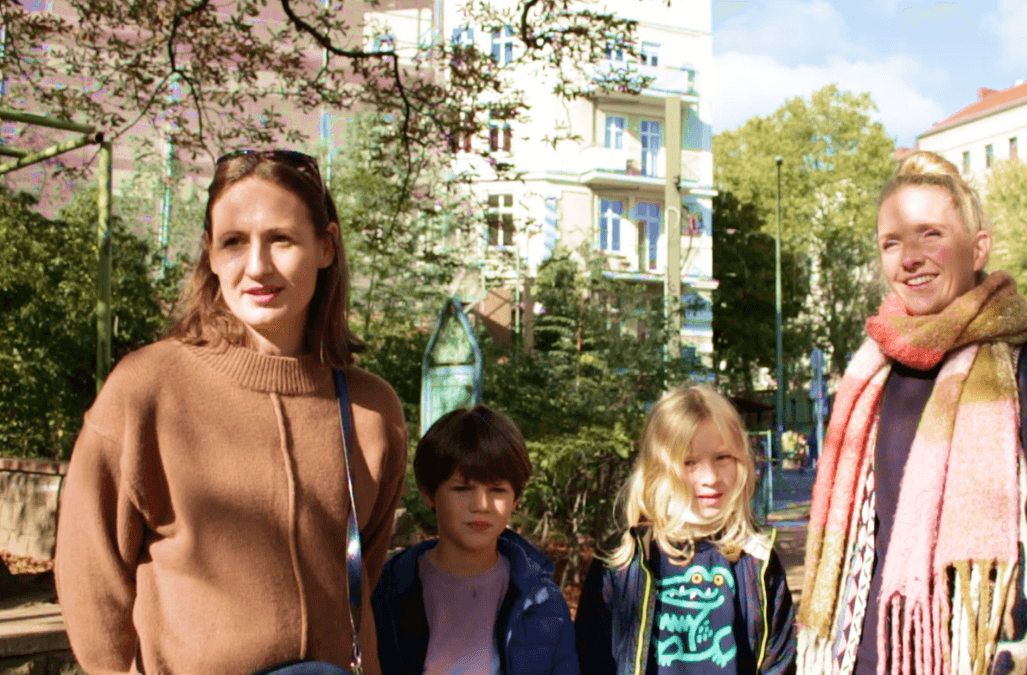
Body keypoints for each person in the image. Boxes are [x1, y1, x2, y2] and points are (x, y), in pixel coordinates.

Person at [54, 149, 408, 675]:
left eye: (281, 239)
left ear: (326, 246)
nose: (258, 266)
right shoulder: (147, 389)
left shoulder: (372, 410)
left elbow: (361, 578)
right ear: (211, 256)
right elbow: (91, 573)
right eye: (234, 242)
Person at [795, 151, 1027, 675]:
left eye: (929, 234)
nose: (909, 257)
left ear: (979, 248)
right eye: (892, 242)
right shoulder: (866, 378)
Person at [576, 384, 796, 675]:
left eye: (722, 458)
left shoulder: (757, 558)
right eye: (689, 462)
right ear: (657, 471)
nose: (710, 478)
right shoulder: (620, 560)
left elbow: (779, 662)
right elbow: (589, 659)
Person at [371, 405, 579, 675]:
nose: (481, 505)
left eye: (497, 490)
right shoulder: (388, 589)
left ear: (515, 499)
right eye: (462, 488)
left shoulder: (542, 600)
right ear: (428, 493)